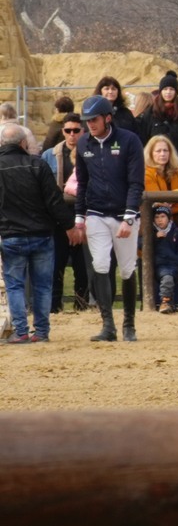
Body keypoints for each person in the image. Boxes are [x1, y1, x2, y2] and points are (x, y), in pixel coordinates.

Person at [72, 94, 144, 342]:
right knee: (101, 265)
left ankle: (129, 325)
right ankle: (108, 325)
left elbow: (136, 182)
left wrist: (129, 217)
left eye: (94, 119)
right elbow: (82, 182)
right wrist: (79, 217)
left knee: (127, 268)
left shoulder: (129, 141)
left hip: (124, 213)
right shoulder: (83, 143)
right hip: (96, 213)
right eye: (87, 120)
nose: (90, 124)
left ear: (107, 118)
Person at [1, 120, 69, 343]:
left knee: (15, 285)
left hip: (11, 235)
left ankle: (21, 331)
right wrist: (69, 225)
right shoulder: (38, 165)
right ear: (23, 143)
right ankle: (41, 331)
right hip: (41, 234)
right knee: (42, 286)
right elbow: (54, 200)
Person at [140, 135, 178, 310]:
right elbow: (155, 201)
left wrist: (169, 204)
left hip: (177, 227)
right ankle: (155, 304)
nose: (162, 154)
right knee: (155, 267)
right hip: (154, 228)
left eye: (165, 150)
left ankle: (175, 303)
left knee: (176, 265)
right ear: (151, 153)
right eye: (158, 151)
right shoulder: (146, 173)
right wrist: (175, 197)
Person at [41, 110, 88, 313]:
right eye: (68, 130)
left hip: (83, 215)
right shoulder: (49, 155)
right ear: (63, 131)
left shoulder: (89, 153)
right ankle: (54, 308)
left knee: (82, 267)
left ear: (82, 131)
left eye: (76, 130)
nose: (72, 135)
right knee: (55, 266)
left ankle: (82, 306)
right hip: (58, 218)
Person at [132, 73, 178, 182]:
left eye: (171, 89)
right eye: (165, 89)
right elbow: (144, 137)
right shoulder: (151, 112)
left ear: (176, 91)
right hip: (156, 166)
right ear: (161, 91)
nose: (168, 92)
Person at [147, 204, 178, 312]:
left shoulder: (176, 231)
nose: (159, 220)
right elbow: (141, 244)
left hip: (174, 264)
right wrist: (155, 237)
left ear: (169, 218)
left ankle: (175, 304)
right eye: (156, 217)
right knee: (167, 280)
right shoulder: (150, 232)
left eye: (162, 216)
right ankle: (164, 302)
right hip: (159, 264)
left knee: (175, 284)